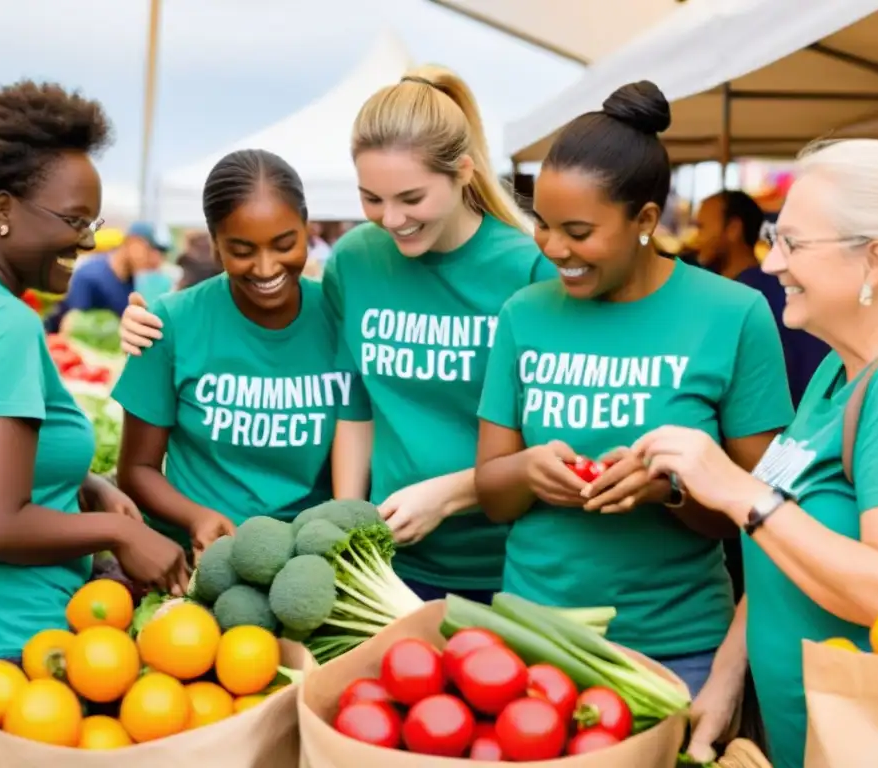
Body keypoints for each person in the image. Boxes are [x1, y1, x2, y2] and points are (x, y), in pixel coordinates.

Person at [118, 66, 554, 603]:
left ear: (463, 171)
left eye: (411, 199)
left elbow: (555, 438)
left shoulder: (530, 269)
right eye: (371, 199)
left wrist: (450, 494)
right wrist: (345, 526)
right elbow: (356, 403)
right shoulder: (356, 260)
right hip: (387, 563)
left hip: (505, 561)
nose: (391, 220)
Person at [473, 81, 795, 696]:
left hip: (683, 651)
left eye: (578, 231)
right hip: (534, 640)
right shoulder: (523, 313)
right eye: (543, 224)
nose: (553, 248)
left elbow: (766, 512)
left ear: (646, 219)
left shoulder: (734, 314)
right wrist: (528, 472)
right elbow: (492, 494)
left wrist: (669, 489)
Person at [0, 81, 188, 768]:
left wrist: (84, 482)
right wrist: (121, 531)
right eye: (73, 220)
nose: (86, 242)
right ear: (2, 210)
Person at [636, 138, 878, 768]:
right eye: (775, 237)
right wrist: (727, 675)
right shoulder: (835, 371)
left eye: (794, 243)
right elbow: (784, 548)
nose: (772, 264)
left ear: (874, 259)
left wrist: (739, 491)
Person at [112, 149, 353, 558]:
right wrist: (195, 517)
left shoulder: (342, 317)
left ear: (307, 229)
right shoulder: (168, 324)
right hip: (200, 561)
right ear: (215, 245)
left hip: (311, 561)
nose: (265, 268)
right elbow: (136, 471)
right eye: (242, 250)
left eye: (284, 244)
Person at [693, 190, 830, 406]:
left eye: (701, 227)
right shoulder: (784, 289)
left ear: (733, 229)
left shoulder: (734, 299)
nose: (694, 238)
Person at [45, 220, 171, 332]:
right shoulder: (90, 277)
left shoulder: (131, 281)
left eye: (162, 255)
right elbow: (70, 327)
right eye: (151, 250)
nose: (156, 260)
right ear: (132, 242)